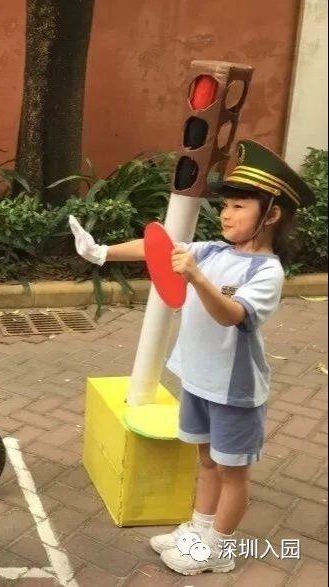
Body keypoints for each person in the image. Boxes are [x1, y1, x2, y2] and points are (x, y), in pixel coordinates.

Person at [69, 140, 315, 576]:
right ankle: (199, 531)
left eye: (238, 206)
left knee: (233, 472)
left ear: (272, 215)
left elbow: (231, 315)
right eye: (225, 206)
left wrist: (198, 278)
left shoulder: (266, 271)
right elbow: (158, 249)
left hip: (234, 391)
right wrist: (102, 252)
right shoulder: (215, 250)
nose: (226, 215)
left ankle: (218, 548)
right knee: (206, 461)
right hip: (198, 380)